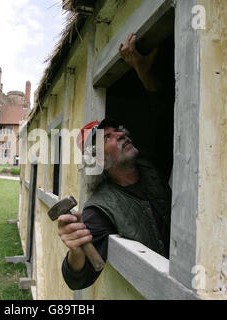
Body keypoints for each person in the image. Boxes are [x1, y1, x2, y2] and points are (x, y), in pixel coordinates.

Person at [58, 33, 173, 290]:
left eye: (118, 130)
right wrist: (75, 250)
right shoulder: (100, 209)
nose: (121, 134)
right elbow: (78, 278)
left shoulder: (150, 167)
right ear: (98, 159)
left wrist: (144, 73)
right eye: (108, 137)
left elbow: (166, 118)